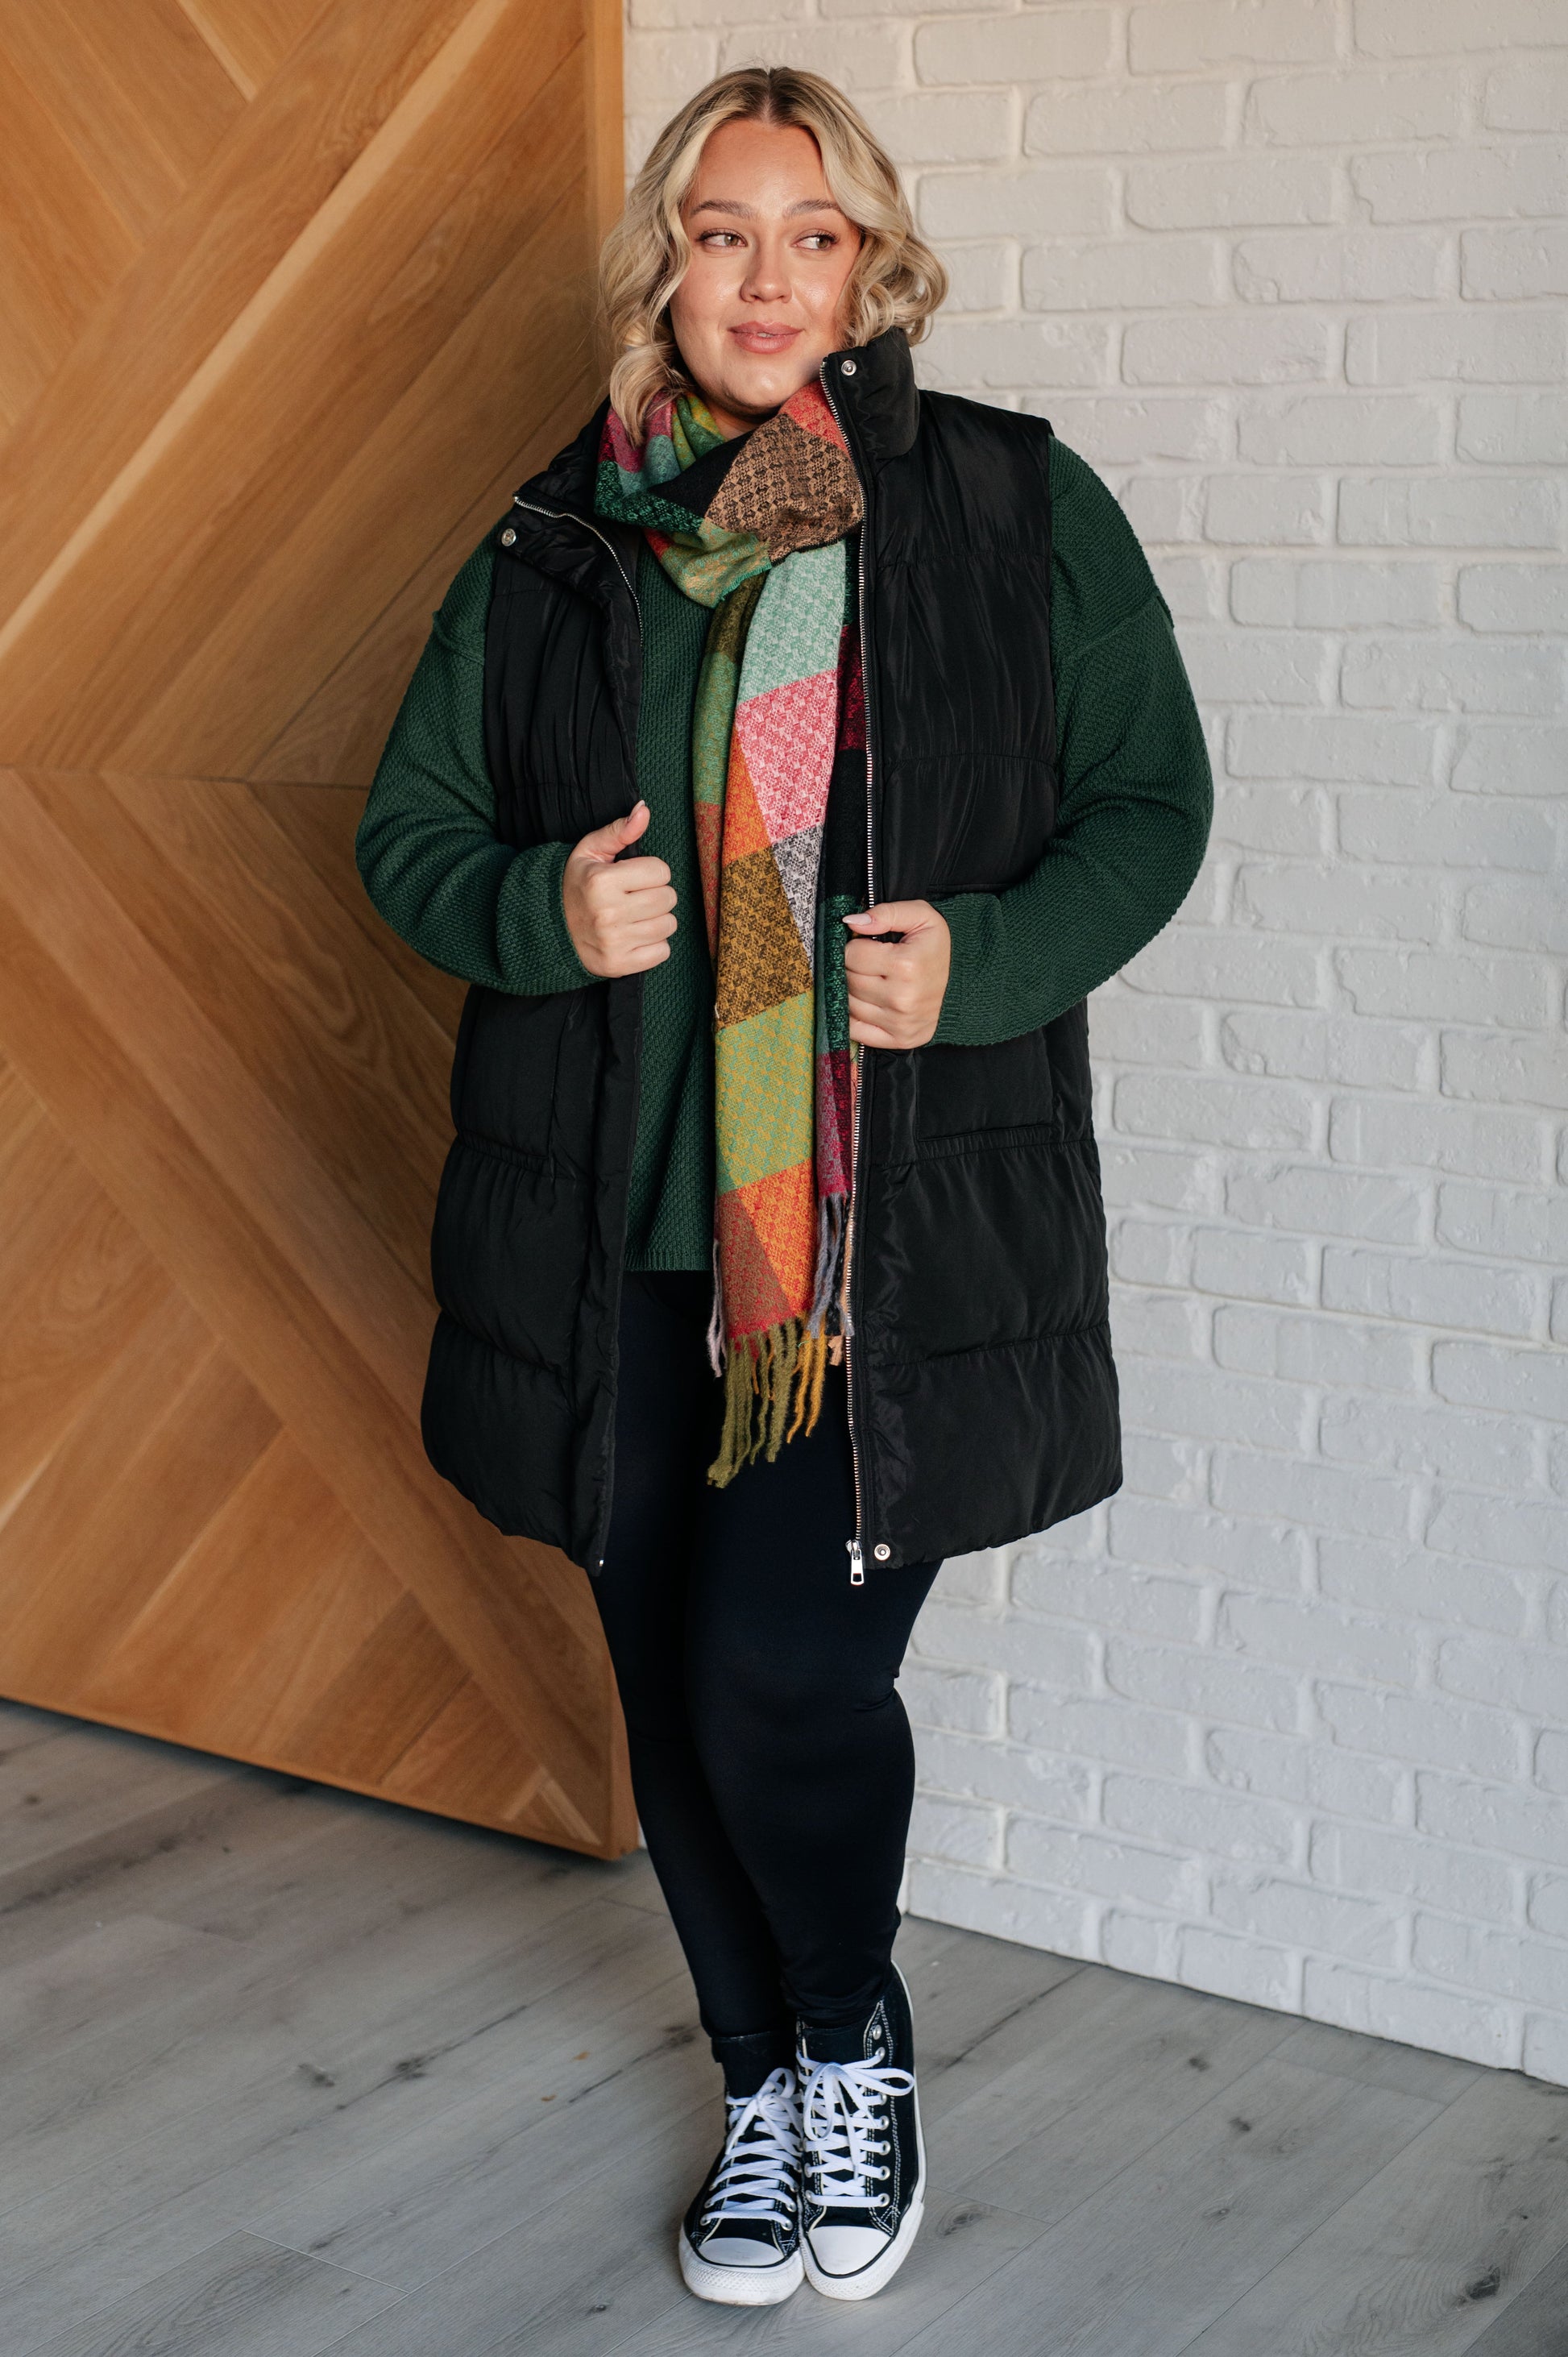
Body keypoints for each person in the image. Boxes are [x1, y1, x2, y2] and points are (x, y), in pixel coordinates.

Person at [355, 64, 1212, 2309]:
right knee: (664, 1680)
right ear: (666, 263)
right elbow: (407, 835)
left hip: (871, 1246)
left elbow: (1149, 804)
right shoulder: (557, 541)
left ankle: (855, 2043)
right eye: (720, 231)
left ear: (872, 265)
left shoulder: (1009, 512)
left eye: (808, 233)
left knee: (776, 1677)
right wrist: (545, 912)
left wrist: (990, 954)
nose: (762, 276)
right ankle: (759, 2084)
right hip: (608, 1232)